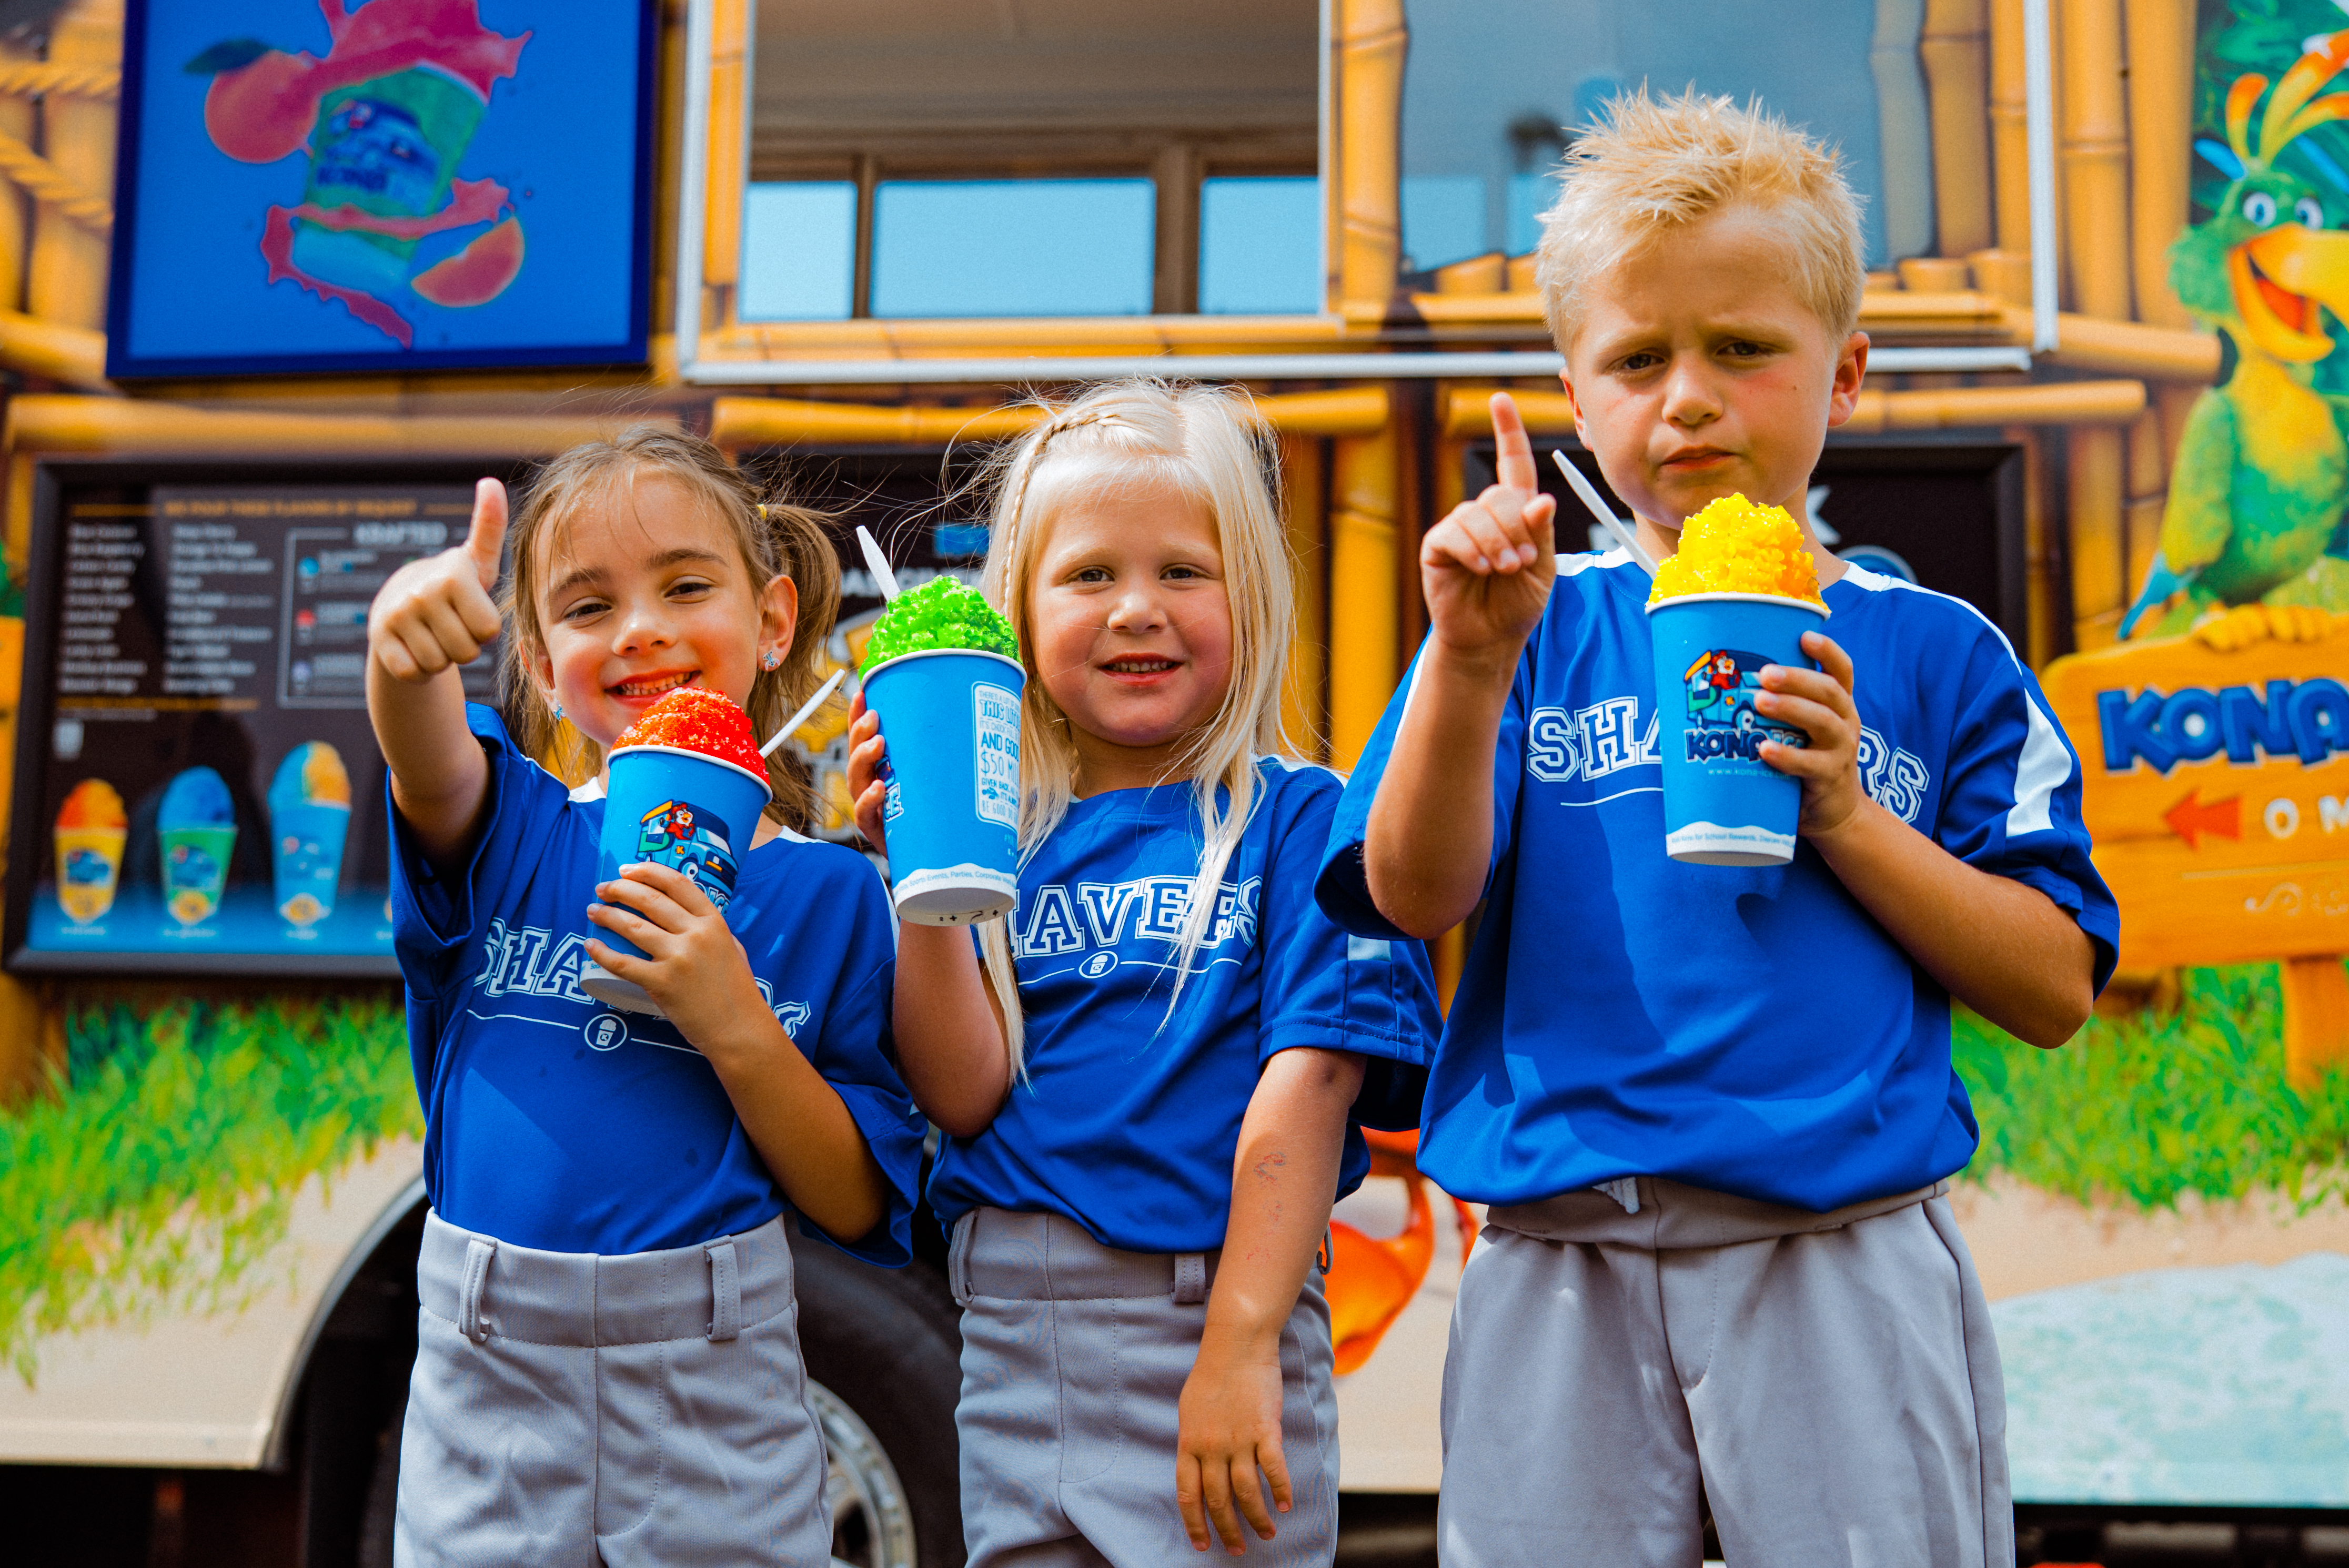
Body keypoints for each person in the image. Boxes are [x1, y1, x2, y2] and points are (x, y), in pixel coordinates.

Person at [1315, 92, 2120, 1567]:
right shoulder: (1522, 626)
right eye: (1635, 359)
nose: (1686, 398)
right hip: (1558, 1249)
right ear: (1575, 391)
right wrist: (1470, 660)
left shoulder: (1937, 651)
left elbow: (2053, 984)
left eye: (1742, 348)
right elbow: (1413, 887)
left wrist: (1848, 817)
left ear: (1847, 373)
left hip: (1840, 1248)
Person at [848, 379, 1441, 1565]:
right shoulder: (994, 835)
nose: (1135, 611)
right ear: (1015, 610)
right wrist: (921, 875)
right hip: (1010, 1338)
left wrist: (1238, 1345)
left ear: (1253, 597)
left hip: (1214, 1326)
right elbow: (962, 1096)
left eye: (1182, 572)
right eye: (1088, 576)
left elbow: (1309, 1097)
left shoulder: (1304, 821)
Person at [366, 426, 924, 1567]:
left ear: (772, 621)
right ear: (533, 659)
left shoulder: (833, 894)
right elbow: (425, 758)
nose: (640, 630)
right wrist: (403, 656)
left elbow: (860, 1201)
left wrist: (735, 1021)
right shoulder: (510, 826)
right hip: (491, 1372)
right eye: (585, 607)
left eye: (684, 585)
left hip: (714, 1378)